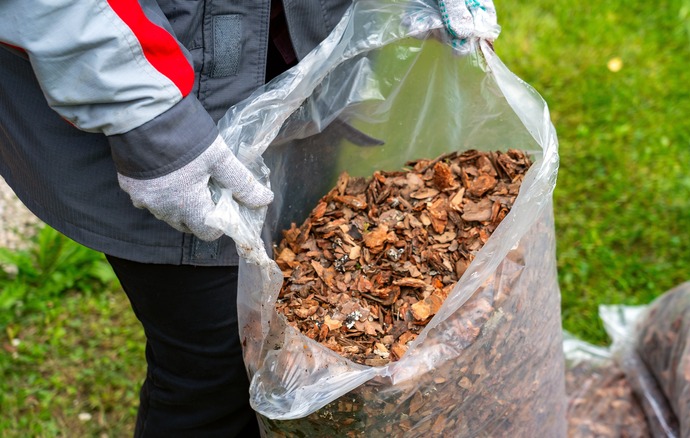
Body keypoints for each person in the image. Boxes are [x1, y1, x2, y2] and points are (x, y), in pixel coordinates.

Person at [0, 0, 497, 435]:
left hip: (303, 54)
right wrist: (147, 116)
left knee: (303, 326)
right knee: (217, 364)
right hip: (165, 80)